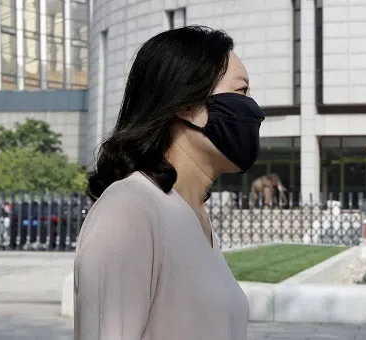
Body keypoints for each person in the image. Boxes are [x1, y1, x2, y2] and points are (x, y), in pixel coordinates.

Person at [74, 26, 265, 340]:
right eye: (241, 91)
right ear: (185, 103)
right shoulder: (130, 209)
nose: (254, 111)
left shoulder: (194, 218)